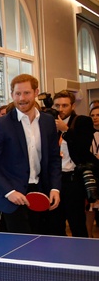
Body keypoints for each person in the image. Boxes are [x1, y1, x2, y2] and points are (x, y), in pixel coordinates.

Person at [0, 74, 62, 234]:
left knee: (38, 240)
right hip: (12, 195)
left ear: (36, 92)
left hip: (40, 190)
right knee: (20, 242)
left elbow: (54, 158)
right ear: (12, 94)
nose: (22, 98)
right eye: (17, 93)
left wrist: (55, 188)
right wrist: (9, 192)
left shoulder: (47, 122)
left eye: (26, 93)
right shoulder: (1, 124)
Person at [47, 90, 96, 237]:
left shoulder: (82, 121)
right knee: (55, 222)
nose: (60, 109)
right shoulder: (49, 123)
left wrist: (66, 130)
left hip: (73, 179)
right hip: (55, 179)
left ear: (73, 106)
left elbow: (83, 148)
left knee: (77, 222)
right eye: (57, 105)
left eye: (65, 105)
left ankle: (81, 250)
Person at [86, 100, 99, 237]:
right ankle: (89, 237)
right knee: (90, 207)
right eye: (92, 115)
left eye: (98, 115)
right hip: (92, 173)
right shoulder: (87, 133)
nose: (95, 118)